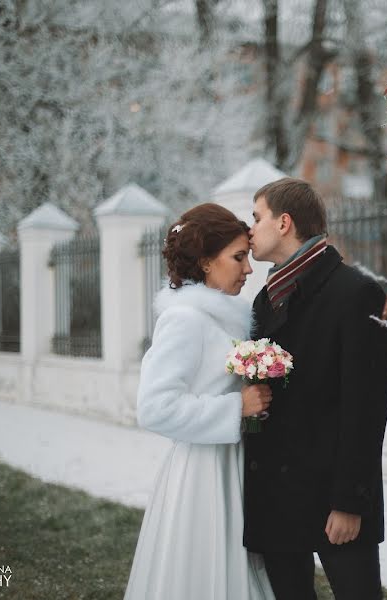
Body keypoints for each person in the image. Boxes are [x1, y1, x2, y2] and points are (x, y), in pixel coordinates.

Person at [243, 178, 387, 600]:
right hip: (277, 495)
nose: (249, 229)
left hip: (335, 500)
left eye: (257, 218)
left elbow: (365, 410)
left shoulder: (357, 293)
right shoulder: (265, 299)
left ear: (284, 222)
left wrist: (350, 502)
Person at [124, 203, 275, 600]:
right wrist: (235, 409)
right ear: (207, 262)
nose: (248, 269)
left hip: (235, 464)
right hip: (203, 474)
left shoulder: (228, 318)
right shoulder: (185, 319)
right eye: (238, 258)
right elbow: (154, 407)